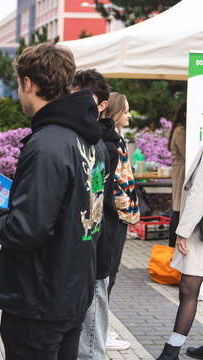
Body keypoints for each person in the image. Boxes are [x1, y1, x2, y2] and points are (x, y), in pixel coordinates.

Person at [0, 43, 109, 359]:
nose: (19, 92)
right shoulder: (93, 141)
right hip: (73, 292)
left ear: (29, 84)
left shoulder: (46, 144)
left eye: (19, 84)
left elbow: (26, 230)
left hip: (40, 300)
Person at [72, 69, 130, 357]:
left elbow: (95, 198)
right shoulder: (91, 139)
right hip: (87, 246)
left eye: (86, 97)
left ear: (102, 105)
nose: (76, 102)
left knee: (91, 341)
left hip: (95, 246)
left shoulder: (102, 145)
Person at [156, 144, 203, 360]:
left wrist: (182, 231)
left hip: (198, 230)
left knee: (188, 288)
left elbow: (199, 192)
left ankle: (171, 352)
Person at [102, 92, 140, 302]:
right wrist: (125, 204)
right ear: (115, 112)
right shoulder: (112, 142)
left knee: (112, 272)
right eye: (125, 111)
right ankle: (99, 332)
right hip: (115, 214)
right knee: (108, 272)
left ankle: (102, 329)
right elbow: (112, 181)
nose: (129, 115)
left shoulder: (119, 139)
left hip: (121, 214)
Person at [168, 102, 187, 248]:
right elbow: (187, 153)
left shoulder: (180, 129)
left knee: (179, 207)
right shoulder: (181, 131)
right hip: (181, 172)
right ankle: (171, 248)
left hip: (180, 171)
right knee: (178, 208)